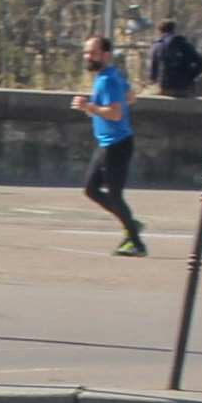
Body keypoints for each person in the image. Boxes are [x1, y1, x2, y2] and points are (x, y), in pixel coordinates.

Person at [73, 35, 144, 257]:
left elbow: (116, 112)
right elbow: (130, 97)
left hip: (116, 144)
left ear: (106, 54)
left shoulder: (107, 80)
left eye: (93, 53)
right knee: (91, 189)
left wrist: (90, 107)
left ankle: (136, 242)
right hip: (109, 142)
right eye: (86, 52)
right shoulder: (111, 75)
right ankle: (130, 224)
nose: (88, 57)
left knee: (113, 194)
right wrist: (96, 108)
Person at [147, 20, 202, 98]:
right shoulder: (184, 44)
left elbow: (152, 68)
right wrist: (189, 78)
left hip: (164, 87)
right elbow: (200, 63)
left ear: (159, 31)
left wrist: (157, 81)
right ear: (173, 30)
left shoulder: (157, 45)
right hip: (184, 88)